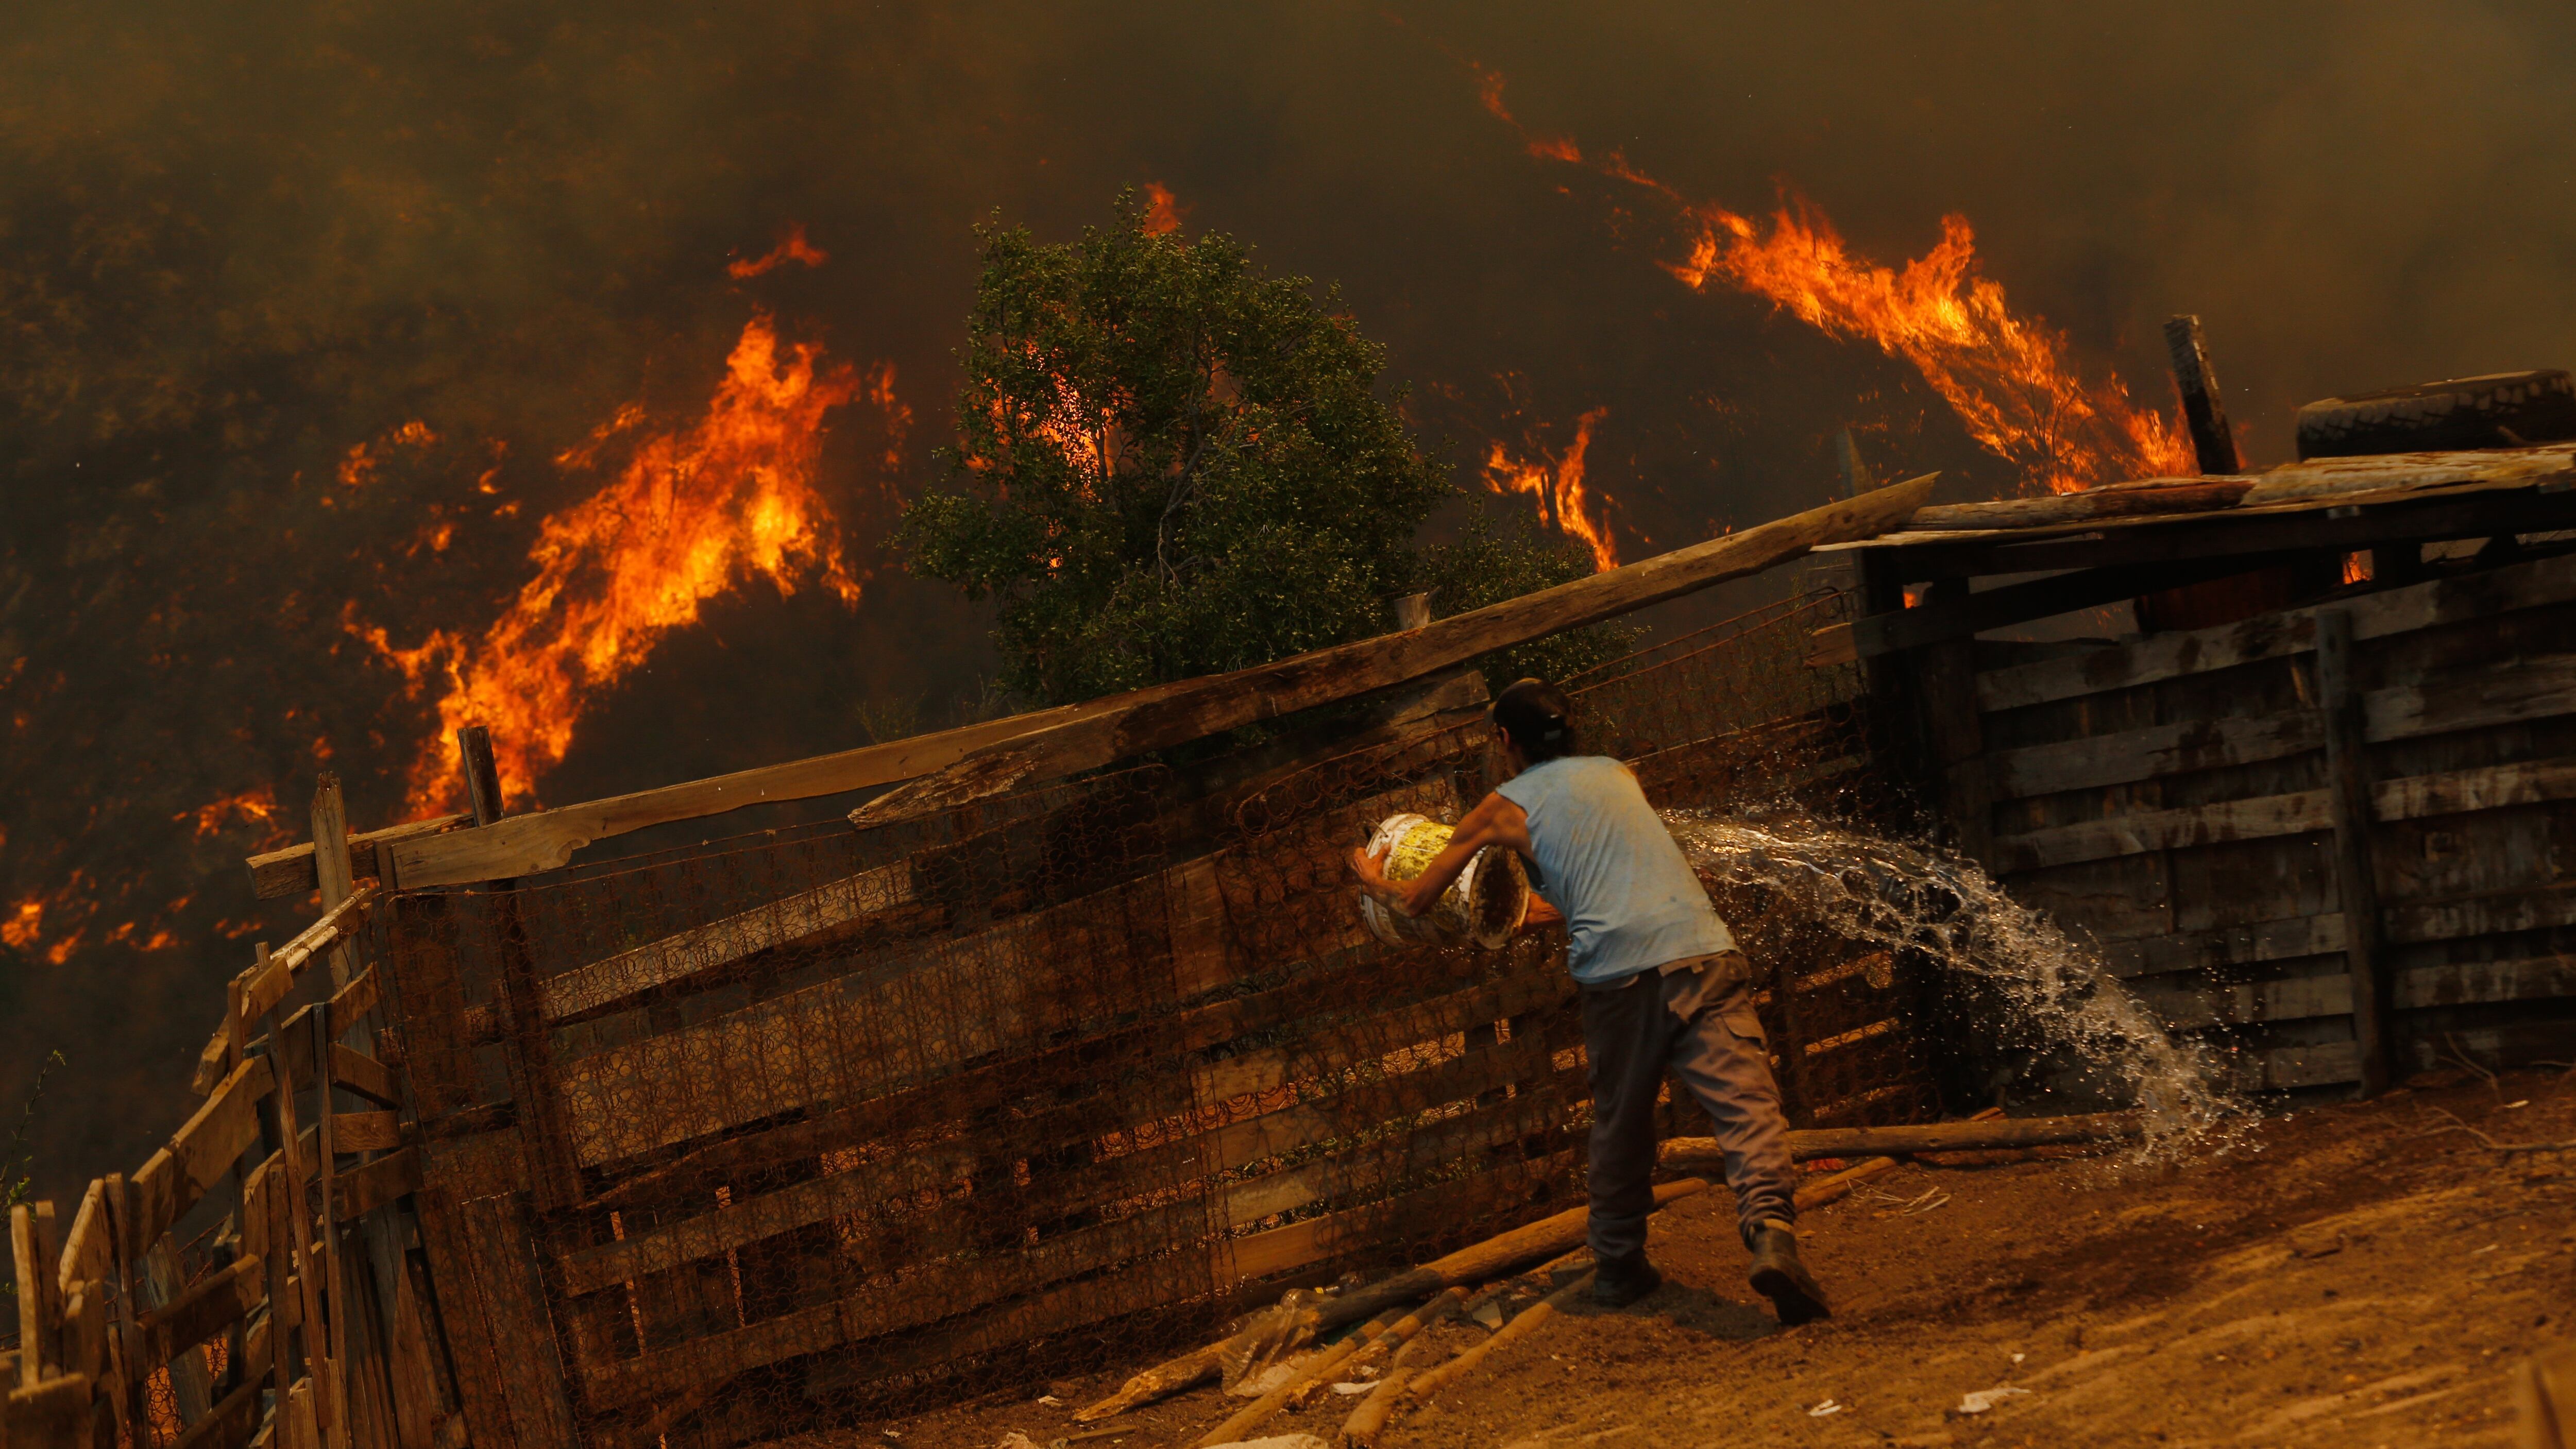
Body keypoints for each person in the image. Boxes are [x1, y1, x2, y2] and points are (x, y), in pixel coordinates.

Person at [1349, 677, 1829, 1322]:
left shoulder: (1498, 807)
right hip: (1700, 947)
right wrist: (1515, 912)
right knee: (1747, 1101)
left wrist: (1372, 881)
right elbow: (1600, 881)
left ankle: (1619, 1265)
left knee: (1622, 1121)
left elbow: (1417, 903)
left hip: (1618, 976)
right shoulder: (1620, 773)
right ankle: (1770, 1230)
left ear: (1503, 740)